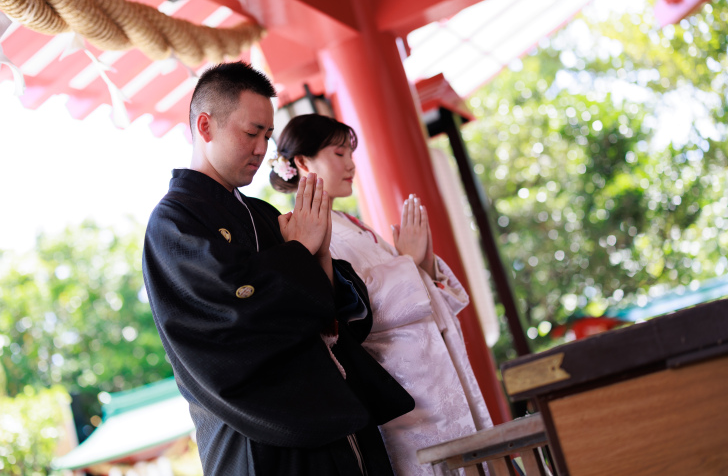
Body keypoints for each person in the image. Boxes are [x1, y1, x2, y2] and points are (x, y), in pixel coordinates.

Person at [142, 62, 414, 476]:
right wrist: (299, 250)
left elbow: (328, 318)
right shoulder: (174, 223)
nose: (260, 149)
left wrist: (317, 253)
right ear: (205, 125)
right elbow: (232, 316)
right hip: (256, 430)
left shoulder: (263, 214)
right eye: (252, 133)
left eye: (267, 136)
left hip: (327, 409)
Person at [271, 114, 494, 475]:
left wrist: (421, 264)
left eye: (351, 153)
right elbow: (352, 308)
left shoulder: (353, 224)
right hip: (401, 386)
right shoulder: (300, 231)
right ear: (302, 162)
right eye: (339, 153)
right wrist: (408, 262)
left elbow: (418, 300)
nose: (350, 163)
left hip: (430, 374)